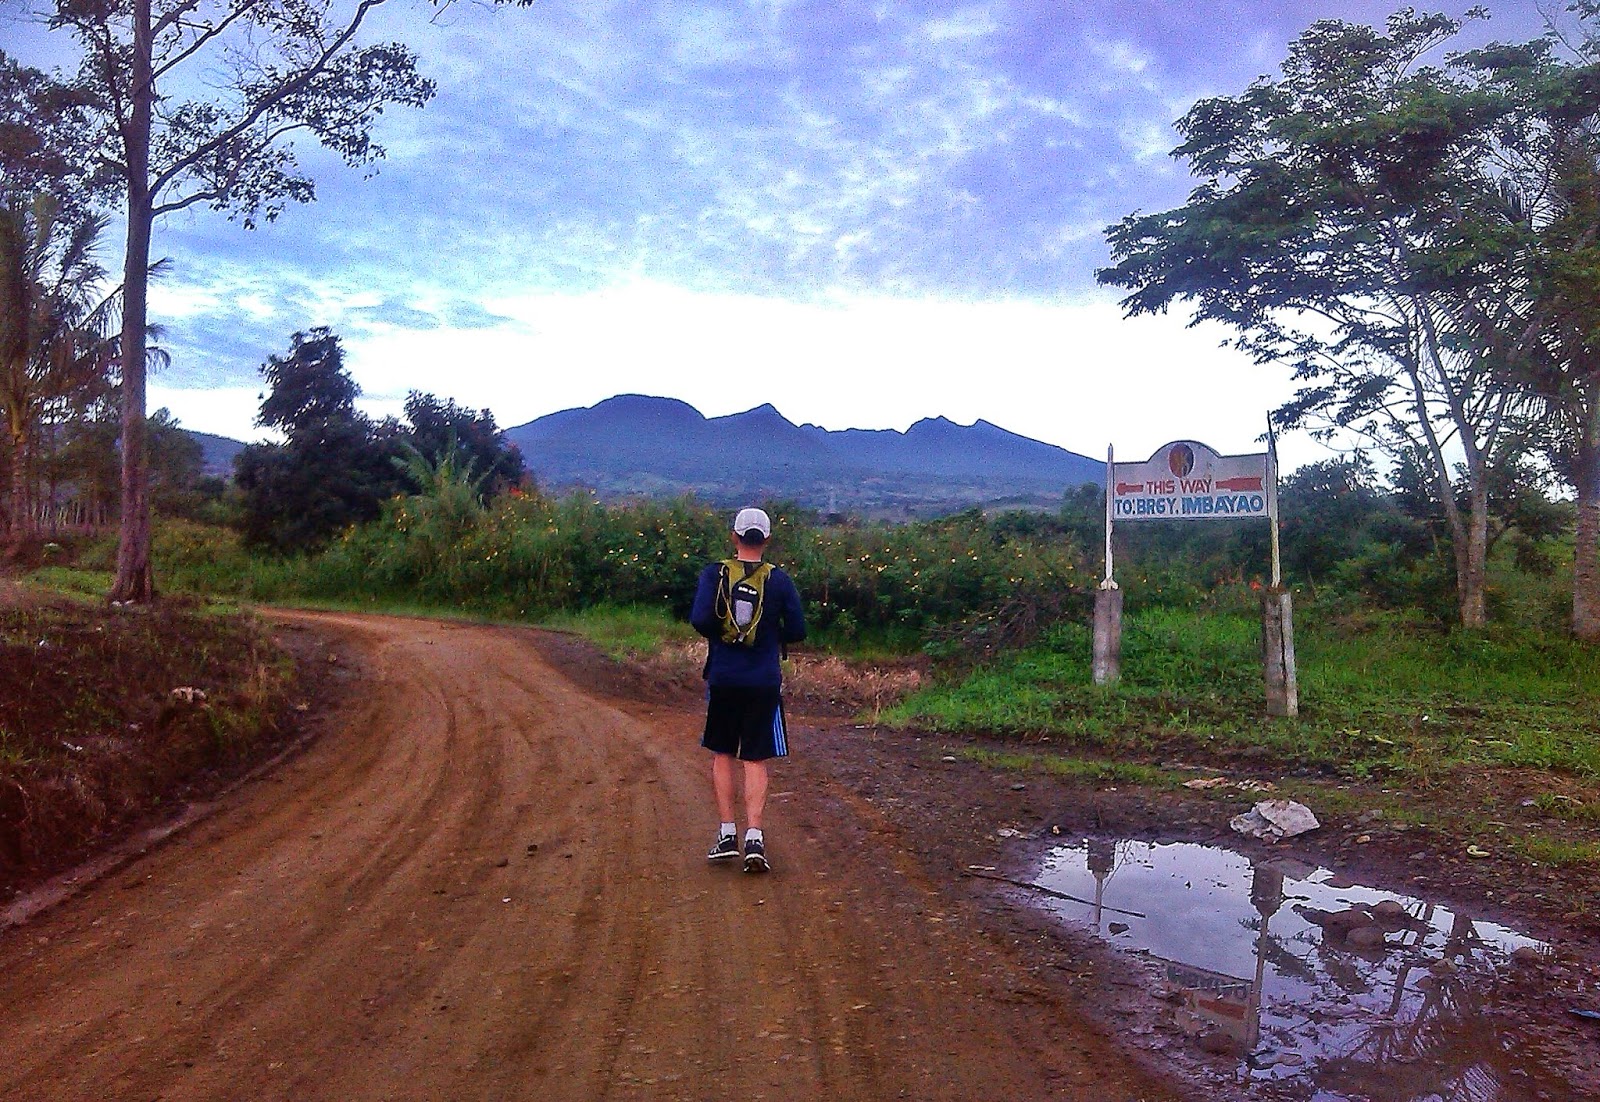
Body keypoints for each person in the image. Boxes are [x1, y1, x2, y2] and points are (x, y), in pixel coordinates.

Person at [689, 506, 806, 873]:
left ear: (734, 536)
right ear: (767, 539)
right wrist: (769, 635)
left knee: (722, 752)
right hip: (763, 680)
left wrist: (725, 636)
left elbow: (700, 619)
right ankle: (754, 837)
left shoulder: (714, 574)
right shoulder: (780, 580)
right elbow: (798, 629)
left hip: (724, 676)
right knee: (754, 758)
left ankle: (727, 833)